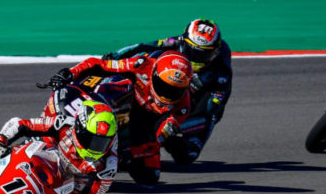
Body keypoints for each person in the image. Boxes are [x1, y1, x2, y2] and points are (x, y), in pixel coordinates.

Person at [46, 52, 192, 187]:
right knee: (121, 84)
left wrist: (128, 153)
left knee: (149, 177)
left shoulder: (182, 108)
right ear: (154, 74)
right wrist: (70, 73)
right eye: (163, 86)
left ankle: (111, 155)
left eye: (174, 91)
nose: (167, 95)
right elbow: (99, 64)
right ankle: (79, 121)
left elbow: (157, 140)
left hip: (142, 127)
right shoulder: (142, 65)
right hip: (116, 104)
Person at [98, 18, 233, 164]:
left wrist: (171, 129)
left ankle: (142, 148)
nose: (196, 58)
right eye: (191, 51)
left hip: (193, 108)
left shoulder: (220, 77)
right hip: (167, 94)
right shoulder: (176, 42)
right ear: (183, 41)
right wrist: (114, 56)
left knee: (188, 154)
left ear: (215, 51)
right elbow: (144, 46)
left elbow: (207, 115)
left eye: (203, 54)